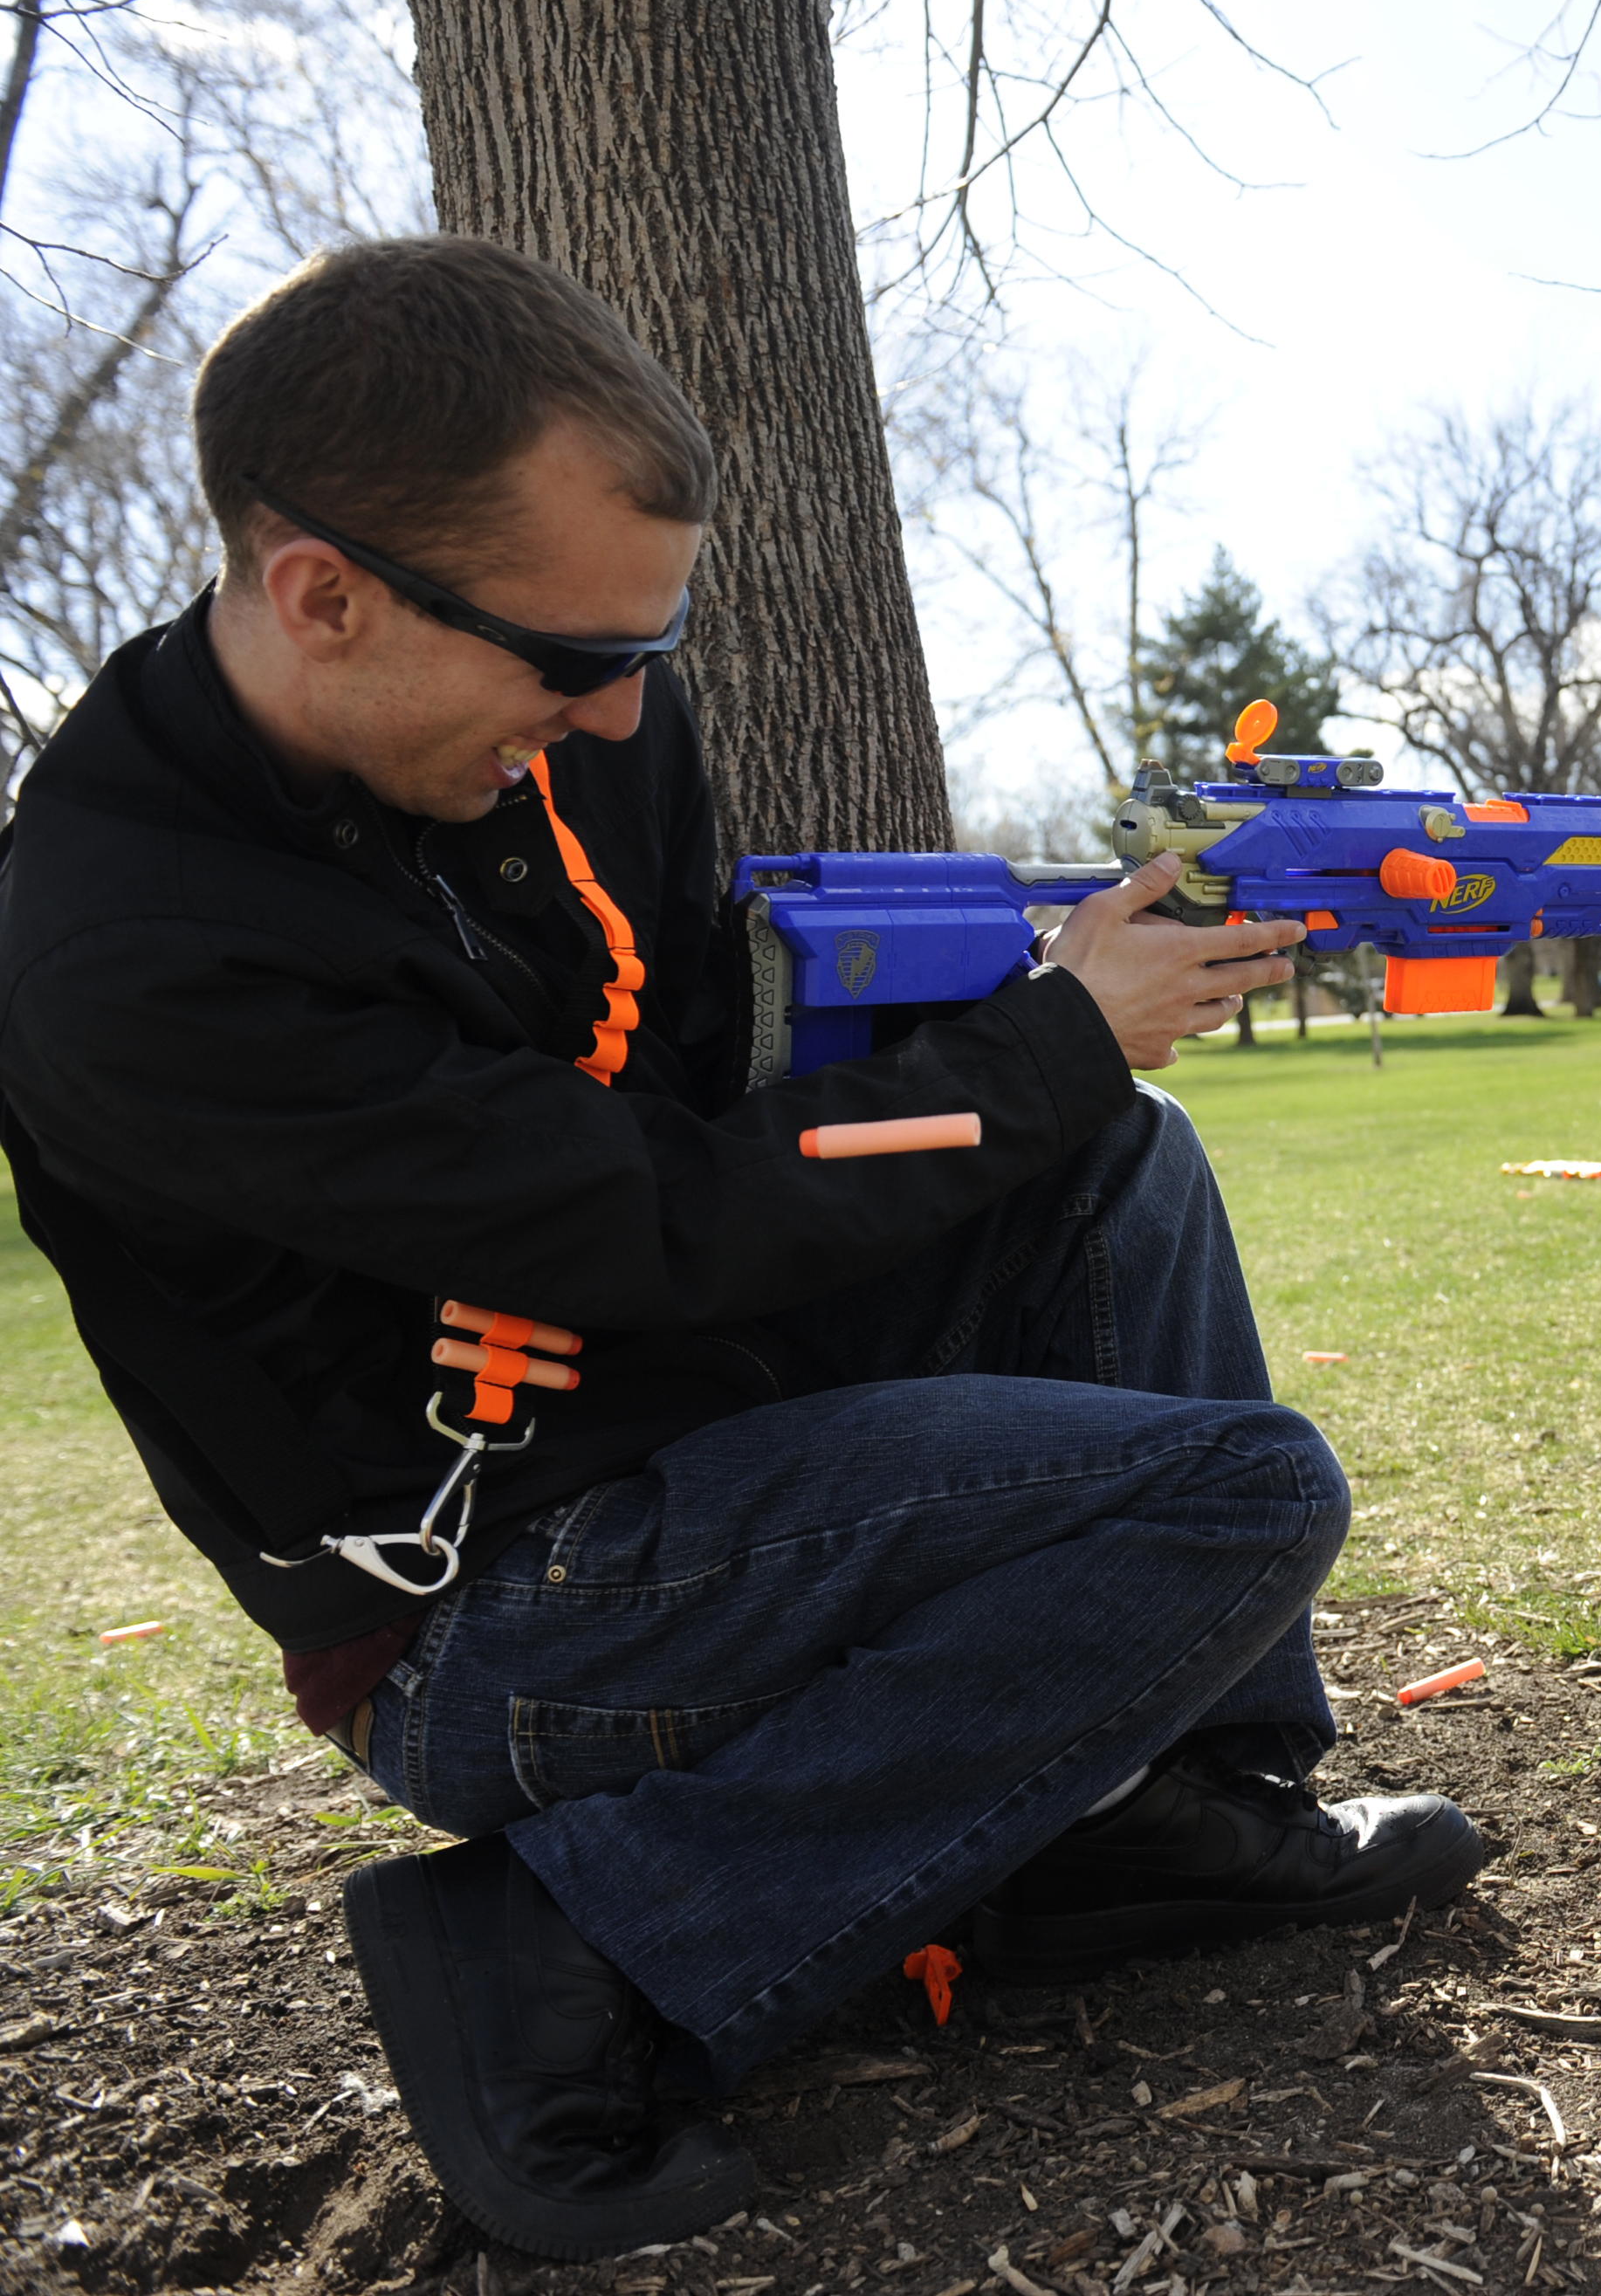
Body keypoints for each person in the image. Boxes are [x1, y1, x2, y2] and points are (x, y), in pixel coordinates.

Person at [0, 237, 1493, 2259]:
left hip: (677, 1420)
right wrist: (1043, 1036)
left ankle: (1139, 1816)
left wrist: (1041, 1024)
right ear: (321, 593)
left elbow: (702, 1099)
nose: (626, 707)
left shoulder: (589, 714)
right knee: (1242, 1494)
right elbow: (648, 1218)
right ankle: (559, 1940)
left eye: (656, 638)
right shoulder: (126, 945)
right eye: (567, 657)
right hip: (489, 1604)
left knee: (1111, 1164)